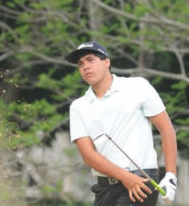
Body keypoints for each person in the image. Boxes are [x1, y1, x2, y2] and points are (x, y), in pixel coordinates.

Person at [66, 41, 177, 206]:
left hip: (140, 182)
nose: (85, 67)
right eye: (81, 64)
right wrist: (124, 177)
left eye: (90, 60)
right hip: (104, 187)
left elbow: (166, 129)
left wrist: (171, 176)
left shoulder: (137, 86)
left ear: (106, 62)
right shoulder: (78, 107)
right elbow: (88, 155)